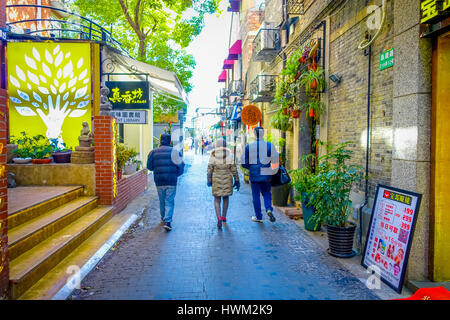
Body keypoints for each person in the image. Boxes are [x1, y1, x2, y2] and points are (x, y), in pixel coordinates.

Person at [147, 134, 185, 231]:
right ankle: (168, 221)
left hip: (159, 180)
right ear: (169, 141)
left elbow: (149, 167)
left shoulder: (153, 152)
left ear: (160, 141)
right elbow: (181, 166)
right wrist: (176, 175)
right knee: (169, 201)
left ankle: (164, 218)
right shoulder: (175, 152)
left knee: (162, 200)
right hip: (171, 180)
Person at [241, 126, 278, 223]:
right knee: (266, 193)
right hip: (266, 173)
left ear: (254, 134)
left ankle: (259, 217)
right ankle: (269, 209)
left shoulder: (249, 146)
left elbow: (243, 162)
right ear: (263, 134)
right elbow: (275, 160)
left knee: (256, 196)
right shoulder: (270, 145)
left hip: (254, 174)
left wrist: (251, 168)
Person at [207, 139, 240, 229]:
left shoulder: (213, 155)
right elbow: (234, 169)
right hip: (227, 179)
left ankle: (218, 218)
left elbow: (209, 169)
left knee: (217, 200)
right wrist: (237, 180)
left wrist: (209, 179)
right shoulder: (230, 155)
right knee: (225, 198)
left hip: (216, 179)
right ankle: (224, 217)